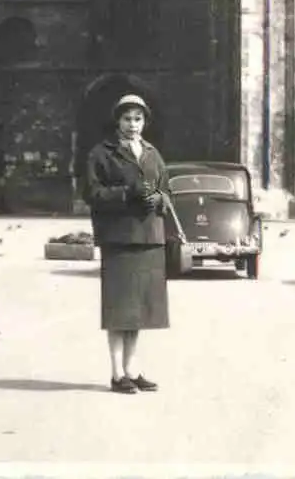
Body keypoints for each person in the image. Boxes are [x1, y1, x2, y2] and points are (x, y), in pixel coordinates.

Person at [83, 93, 171, 394]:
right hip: (119, 239)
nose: (133, 125)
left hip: (149, 238)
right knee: (119, 310)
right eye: (127, 119)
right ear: (117, 121)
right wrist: (127, 192)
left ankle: (132, 370)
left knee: (139, 311)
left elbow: (166, 190)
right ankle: (116, 373)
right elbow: (92, 193)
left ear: (145, 122)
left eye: (138, 119)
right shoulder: (101, 153)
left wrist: (159, 199)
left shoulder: (152, 153)